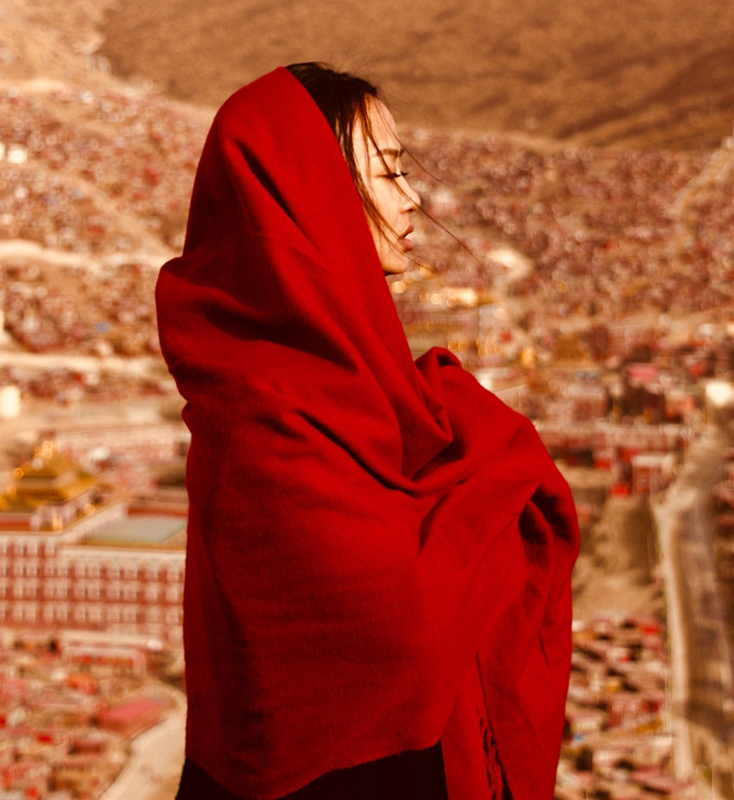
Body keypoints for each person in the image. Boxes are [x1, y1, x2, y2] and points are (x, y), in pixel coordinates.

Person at [155, 63, 579, 800]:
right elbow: (400, 631)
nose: (413, 198)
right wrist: (498, 456)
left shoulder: (371, 387)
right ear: (307, 191)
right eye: (387, 172)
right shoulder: (261, 408)